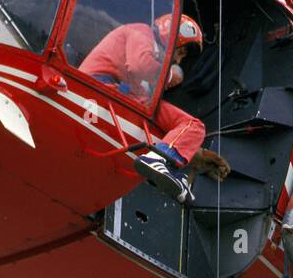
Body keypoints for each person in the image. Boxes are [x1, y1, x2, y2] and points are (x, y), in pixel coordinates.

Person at [79, 12, 209, 205]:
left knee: (172, 123)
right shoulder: (142, 32)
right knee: (193, 125)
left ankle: (167, 165)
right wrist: (169, 76)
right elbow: (139, 66)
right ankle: (160, 159)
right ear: (172, 36)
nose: (178, 61)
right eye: (180, 53)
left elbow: (134, 78)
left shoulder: (135, 35)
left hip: (111, 90)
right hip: (104, 88)